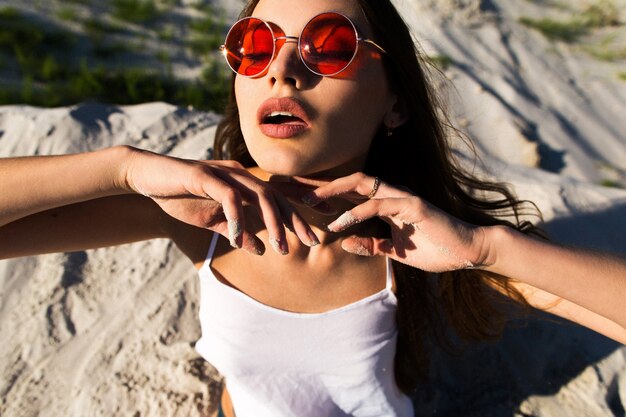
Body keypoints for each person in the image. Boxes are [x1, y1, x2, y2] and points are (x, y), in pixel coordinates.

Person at [1, 0, 625, 415]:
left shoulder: (416, 238)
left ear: (396, 106)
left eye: (331, 47)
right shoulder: (204, 216)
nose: (281, 70)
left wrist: (486, 250)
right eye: (253, 44)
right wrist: (122, 167)